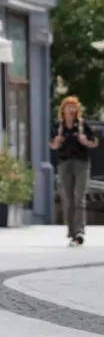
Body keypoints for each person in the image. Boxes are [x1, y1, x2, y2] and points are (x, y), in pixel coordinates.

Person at [51, 96, 99, 245]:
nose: (71, 109)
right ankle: (71, 231)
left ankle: (79, 232)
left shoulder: (83, 125)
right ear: (63, 109)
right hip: (64, 163)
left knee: (79, 197)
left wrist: (85, 141)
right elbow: (52, 145)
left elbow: (95, 142)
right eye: (68, 106)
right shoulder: (58, 126)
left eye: (73, 107)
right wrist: (56, 142)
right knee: (67, 198)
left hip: (81, 163)